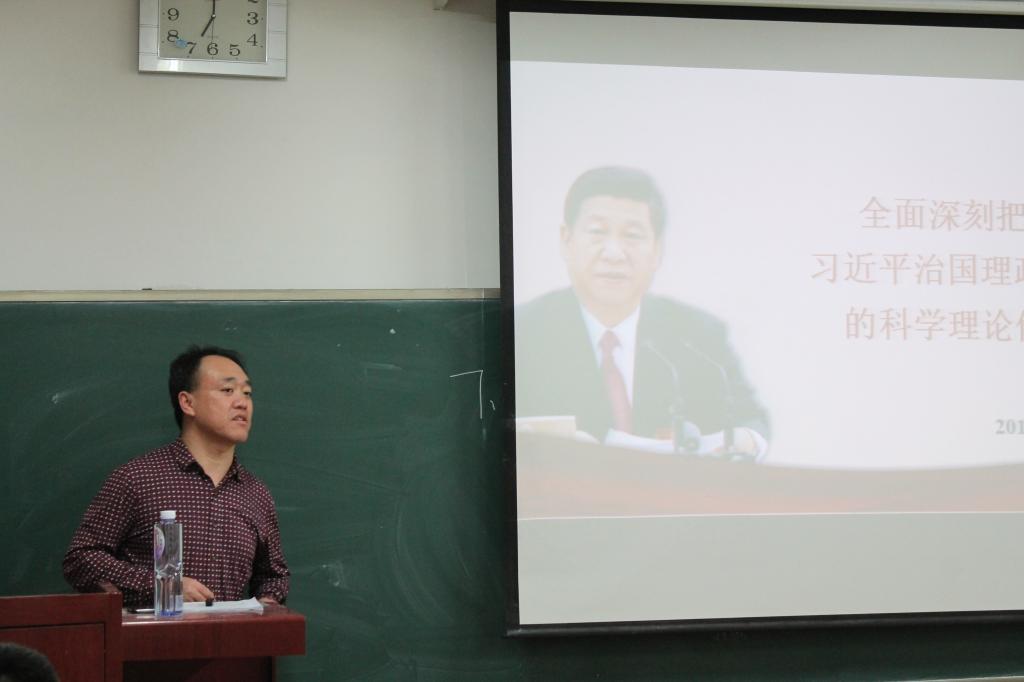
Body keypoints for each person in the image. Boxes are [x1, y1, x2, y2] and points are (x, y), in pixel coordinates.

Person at [515, 166, 769, 456]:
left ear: (657, 250)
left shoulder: (697, 335)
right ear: (566, 240)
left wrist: (745, 441)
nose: (613, 253)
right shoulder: (520, 333)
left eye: (632, 235)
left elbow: (751, 421)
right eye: (597, 232)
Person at [63, 345, 289, 607]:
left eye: (247, 393)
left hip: (230, 634)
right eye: (227, 390)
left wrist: (268, 602)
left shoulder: (256, 494)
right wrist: (164, 586)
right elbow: (81, 559)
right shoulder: (138, 478)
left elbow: (273, 576)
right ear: (187, 403)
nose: (242, 402)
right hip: (153, 632)